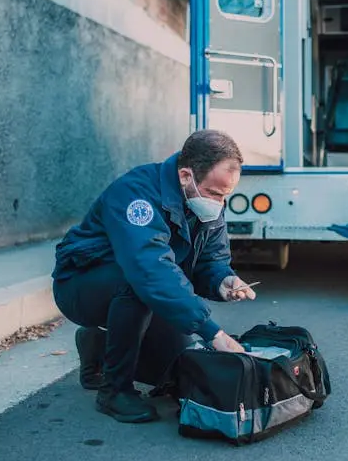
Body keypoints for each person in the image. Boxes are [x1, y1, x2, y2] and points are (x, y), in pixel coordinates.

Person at [50, 129, 256, 424]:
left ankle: (96, 346)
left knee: (171, 371)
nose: (220, 203)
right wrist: (213, 333)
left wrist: (223, 280)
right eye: (214, 193)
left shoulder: (206, 199)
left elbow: (211, 260)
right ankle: (113, 391)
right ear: (186, 176)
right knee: (136, 284)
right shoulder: (135, 195)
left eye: (226, 195)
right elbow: (149, 270)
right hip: (80, 286)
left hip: (141, 286)